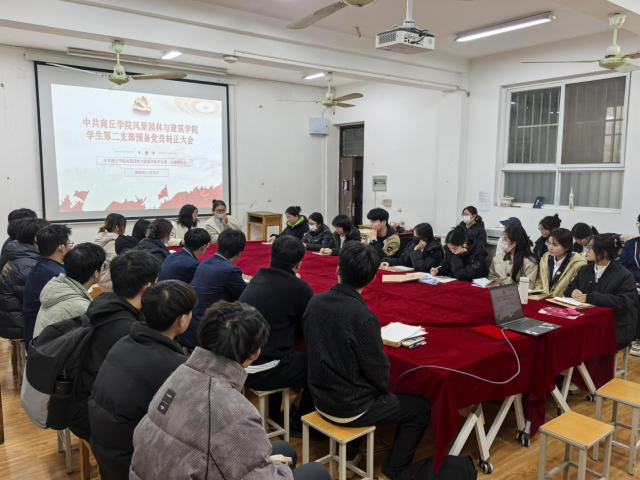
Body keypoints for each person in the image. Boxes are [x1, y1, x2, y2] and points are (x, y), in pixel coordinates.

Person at [130, 301, 330, 480]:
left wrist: (270, 465)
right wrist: (277, 468)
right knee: (316, 472)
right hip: (195, 466)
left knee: (284, 450)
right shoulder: (236, 412)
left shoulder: (179, 373)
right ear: (256, 353)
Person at [303, 242, 431, 478]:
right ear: (372, 278)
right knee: (420, 409)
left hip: (317, 396)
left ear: (337, 269)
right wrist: (383, 391)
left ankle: (352, 452)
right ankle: (395, 468)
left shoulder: (315, 302)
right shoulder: (363, 317)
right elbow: (378, 372)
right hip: (351, 407)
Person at [89, 280, 194, 480]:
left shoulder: (124, 341)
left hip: (104, 450)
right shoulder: (175, 366)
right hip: (131, 464)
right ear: (181, 320)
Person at [68, 250, 161, 441]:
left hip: (79, 404)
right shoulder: (131, 331)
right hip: (95, 419)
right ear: (147, 287)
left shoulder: (101, 302)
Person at [239, 236, 315, 431]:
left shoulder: (258, 276)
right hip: (262, 369)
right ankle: (300, 423)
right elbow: (311, 323)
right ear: (299, 264)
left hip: (240, 361)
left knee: (282, 352)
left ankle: (274, 414)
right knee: (320, 365)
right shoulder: (299, 288)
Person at [566, 235, 638, 350]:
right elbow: (570, 287)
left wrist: (590, 297)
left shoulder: (624, 275)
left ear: (603, 253)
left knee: (584, 343)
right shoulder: (585, 269)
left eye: (590, 247)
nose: (586, 250)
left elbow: (624, 302)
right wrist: (573, 291)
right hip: (585, 321)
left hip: (614, 326)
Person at [180, 229, 247, 349]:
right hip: (202, 334)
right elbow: (246, 295)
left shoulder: (204, 262)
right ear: (239, 253)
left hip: (186, 326)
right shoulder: (230, 270)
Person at [33, 243, 106, 338]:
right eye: (103, 266)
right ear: (96, 273)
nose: (104, 269)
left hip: (41, 346)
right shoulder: (81, 308)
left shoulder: (56, 286)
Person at [22, 224, 73, 347]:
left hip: (32, 334)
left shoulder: (40, 266)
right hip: (43, 342)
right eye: (69, 244)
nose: (71, 248)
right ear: (61, 248)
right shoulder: (58, 275)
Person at [0, 218, 50, 340]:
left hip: (11, 321)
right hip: (19, 326)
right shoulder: (28, 266)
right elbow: (41, 300)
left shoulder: (19, 255)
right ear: (37, 239)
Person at [533, 228, 587, 297]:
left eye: (555, 245)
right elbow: (539, 283)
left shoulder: (578, 264)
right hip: (543, 299)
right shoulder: (545, 259)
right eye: (549, 243)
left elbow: (573, 289)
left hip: (563, 301)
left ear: (567, 247)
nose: (550, 247)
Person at [619, 214, 640, 356]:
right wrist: (631, 282)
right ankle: (630, 335)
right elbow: (622, 267)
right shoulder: (631, 244)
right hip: (633, 283)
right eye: (639, 225)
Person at [94, 214, 126, 292]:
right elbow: (116, 262)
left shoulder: (100, 238)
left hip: (100, 278)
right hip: (111, 281)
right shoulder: (115, 242)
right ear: (117, 227)